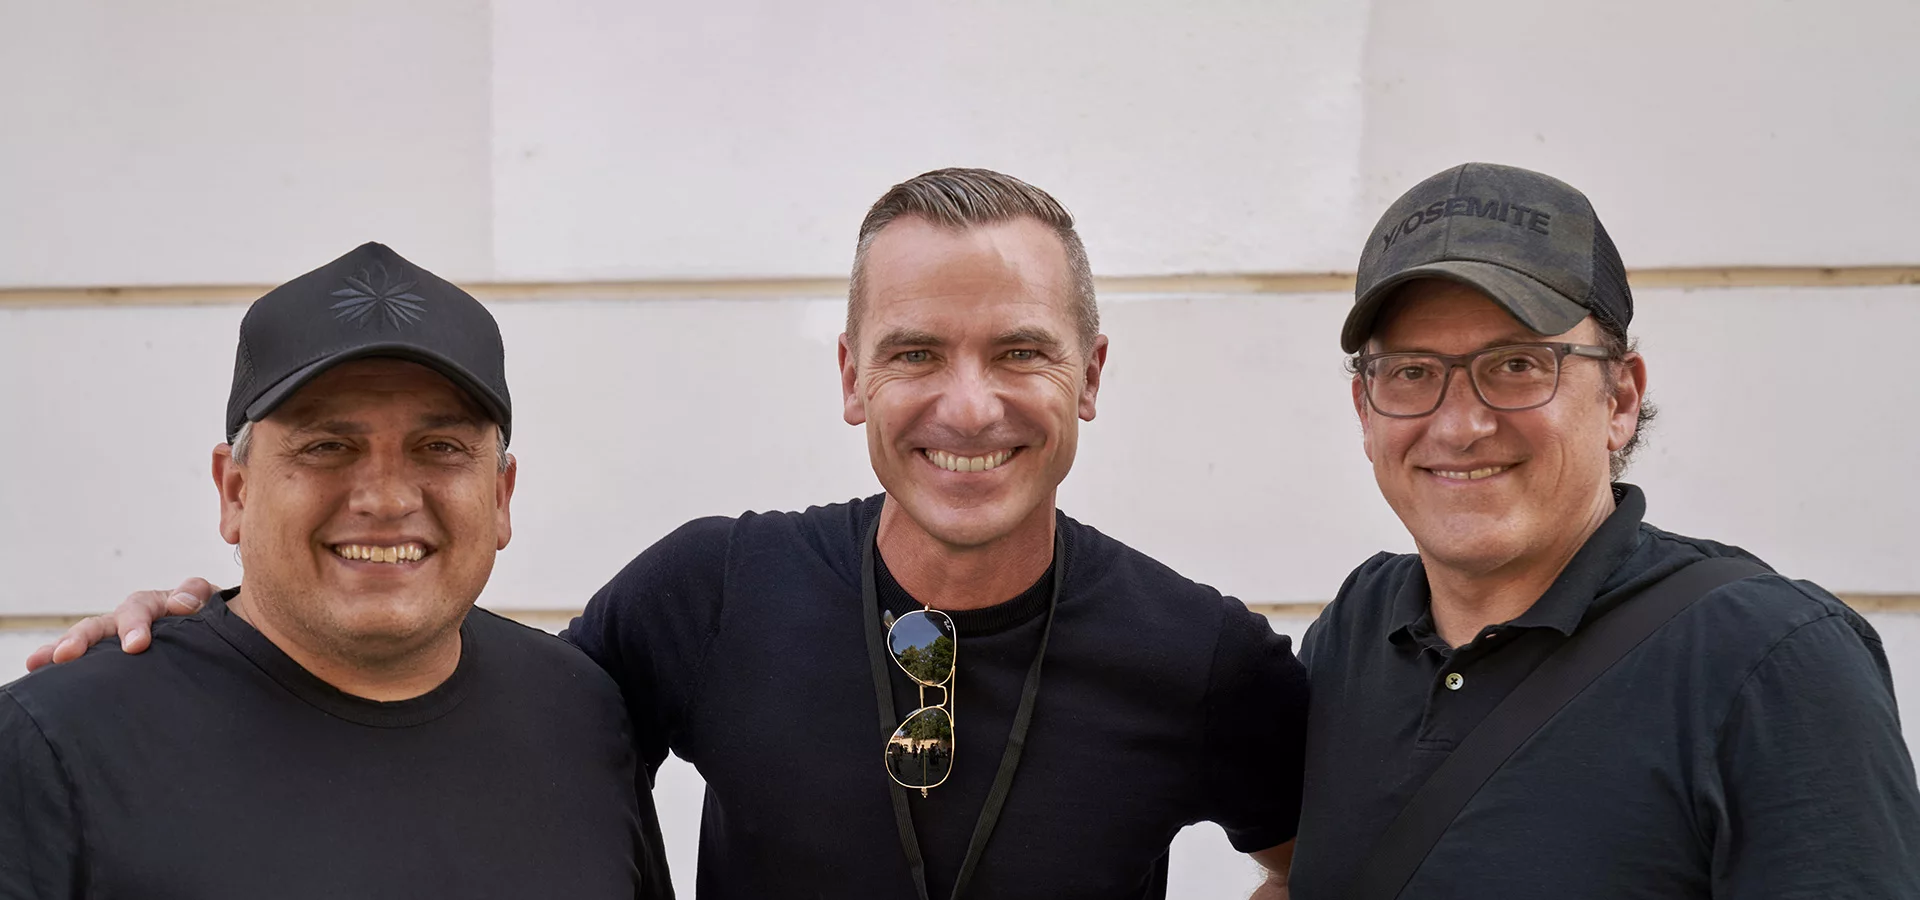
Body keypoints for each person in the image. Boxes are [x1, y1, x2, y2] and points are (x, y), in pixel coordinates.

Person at [29, 170, 1310, 899]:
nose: (967, 405)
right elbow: (448, 704)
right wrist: (210, 642)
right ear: (852, 377)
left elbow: (1338, 858)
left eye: (1020, 351)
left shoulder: (1200, 652)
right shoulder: (712, 592)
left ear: (1091, 375)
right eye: (916, 352)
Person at [1283, 162, 1920, 898]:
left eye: (1517, 364)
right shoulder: (1357, 629)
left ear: (1619, 398)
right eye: (1411, 372)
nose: (1459, 426)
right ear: (1365, 412)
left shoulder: (1770, 660)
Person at [1, 242, 670, 899]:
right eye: (327, 446)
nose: (386, 498)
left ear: (500, 497)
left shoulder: (582, 715)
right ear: (235, 492)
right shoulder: (56, 747)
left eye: (440, 446)